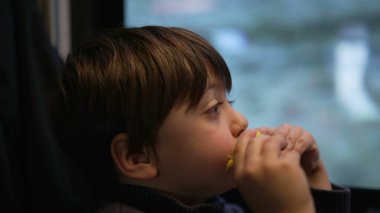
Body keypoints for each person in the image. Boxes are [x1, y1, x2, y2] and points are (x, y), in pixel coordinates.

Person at [49, 26, 350, 212]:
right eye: (214, 109)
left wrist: (313, 181)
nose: (242, 122)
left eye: (229, 102)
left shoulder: (213, 202)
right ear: (138, 156)